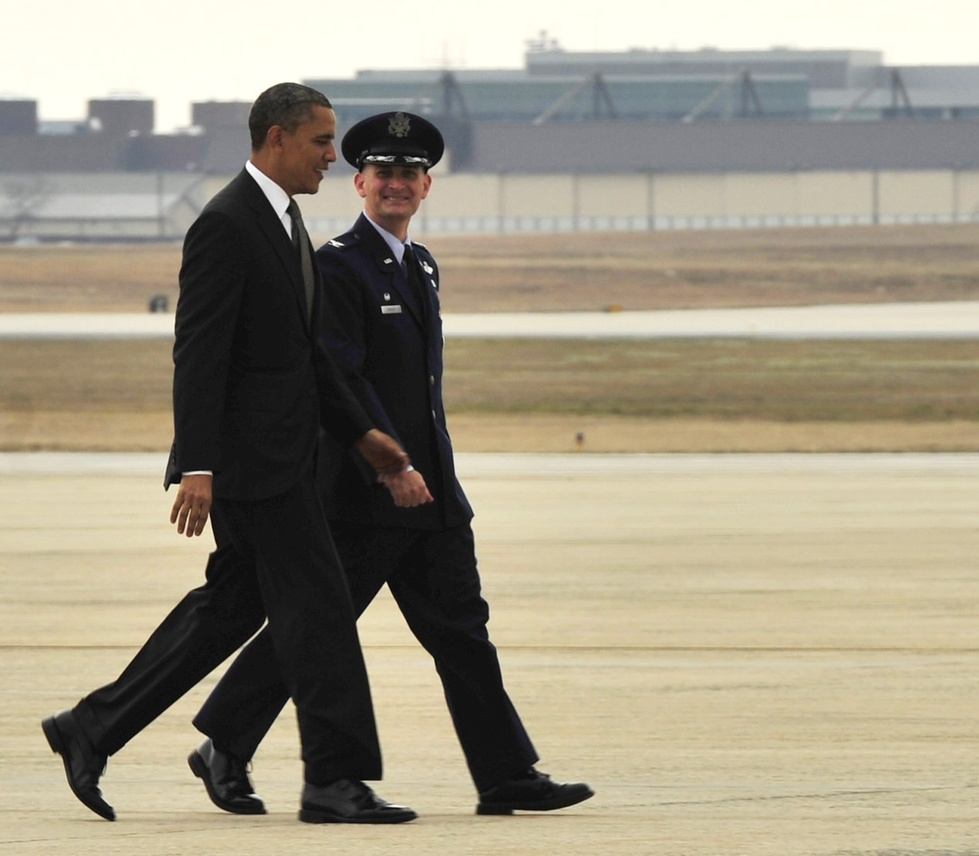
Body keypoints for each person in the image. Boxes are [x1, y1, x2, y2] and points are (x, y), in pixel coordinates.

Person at [188, 111, 594, 816]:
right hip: (361, 497)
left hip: (431, 497)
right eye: (384, 175)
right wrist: (389, 462)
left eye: (410, 176)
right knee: (314, 633)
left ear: (427, 186)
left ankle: (505, 776)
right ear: (361, 183)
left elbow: (420, 390)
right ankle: (225, 741)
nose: (397, 186)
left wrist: (431, 476)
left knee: (464, 634)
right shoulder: (338, 267)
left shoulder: (421, 264)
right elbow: (340, 379)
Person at [41, 85, 418, 825]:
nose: (332, 156)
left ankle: (91, 726)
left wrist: (363, 436)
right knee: (321, 610)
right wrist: (200, 466)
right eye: (320, 141)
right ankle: (334, 783)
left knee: (229, 609)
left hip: (280, 459)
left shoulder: (286, 220)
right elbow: (199, 353)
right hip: (255, 467)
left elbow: (309, 357)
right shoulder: (226, 224)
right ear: (275, 140)